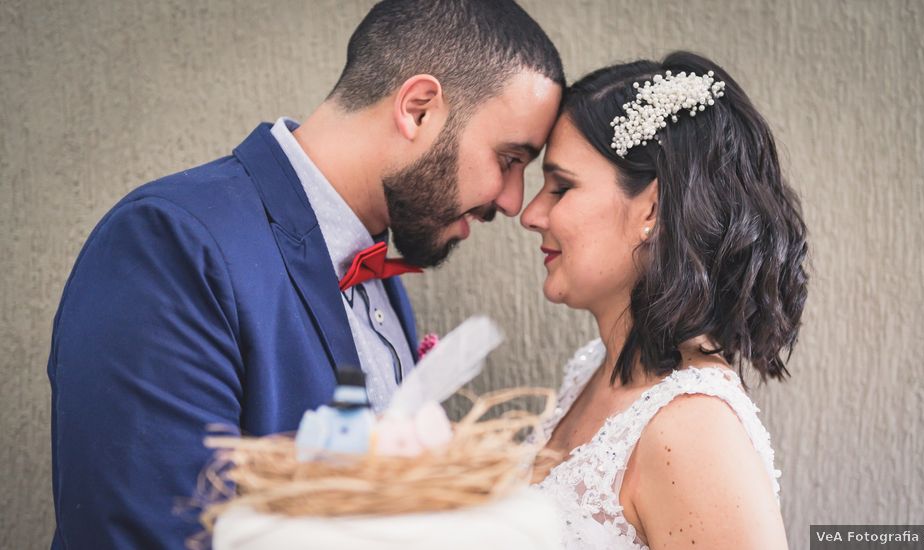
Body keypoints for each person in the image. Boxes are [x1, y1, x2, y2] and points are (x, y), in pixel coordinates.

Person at [47, 1, 563, 547]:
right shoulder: (168, 241)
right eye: (510, 160)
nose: (512, 202)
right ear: (418, 109)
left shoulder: (378, 274)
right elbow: (145, 531)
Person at [523, 51, 807, 549]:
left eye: (561, 187)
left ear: (651, 208)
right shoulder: (591, 369)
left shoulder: (693, 430)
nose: (531, 214)